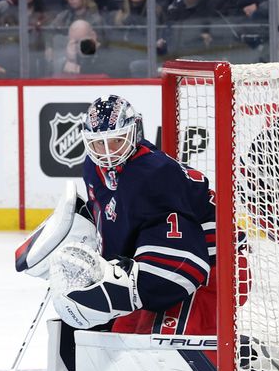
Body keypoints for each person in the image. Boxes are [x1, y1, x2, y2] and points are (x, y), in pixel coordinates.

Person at [46, 95, 217, 336]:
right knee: (121, 333)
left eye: (116, 140)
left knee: (162, 341)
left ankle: (238, 353)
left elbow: (187, 261)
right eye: (98, 143)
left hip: (217, 267)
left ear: (133, 133)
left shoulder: (154, 173)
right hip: (164, 258)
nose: (107, 153)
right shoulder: (93, 169)